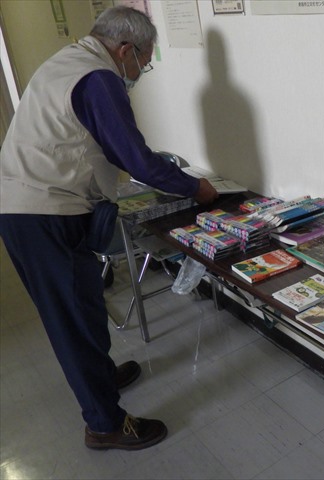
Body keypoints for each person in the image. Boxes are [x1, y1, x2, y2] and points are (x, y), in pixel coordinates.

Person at [0, 6, 218, 450]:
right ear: (125, 49)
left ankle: (102, 376)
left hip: (37, 207)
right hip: (42, 213)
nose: (140, 71)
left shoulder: (70, 59)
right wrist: (195, 187)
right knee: (72, 322)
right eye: (144, 62)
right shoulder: (98, 78)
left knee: (84, 305)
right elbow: (135, 159)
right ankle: (105, 425)